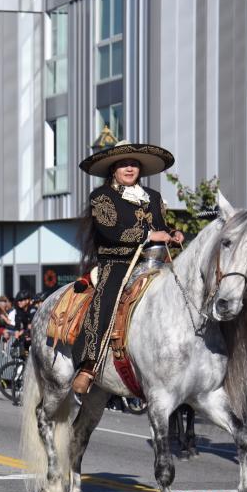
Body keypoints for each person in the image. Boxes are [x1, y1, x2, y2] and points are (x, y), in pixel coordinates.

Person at [71, 141, 182, 395]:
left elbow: (161, 227)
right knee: (107, 296)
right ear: (113, 169)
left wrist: (172, 234)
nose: (129, 168)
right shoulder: (102, 197)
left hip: (153, 262)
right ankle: (89, 365)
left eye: (133, 164)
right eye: (123, 164)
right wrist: (149, 235)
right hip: (117, 262)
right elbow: (110, 231)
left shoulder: (153, 197)